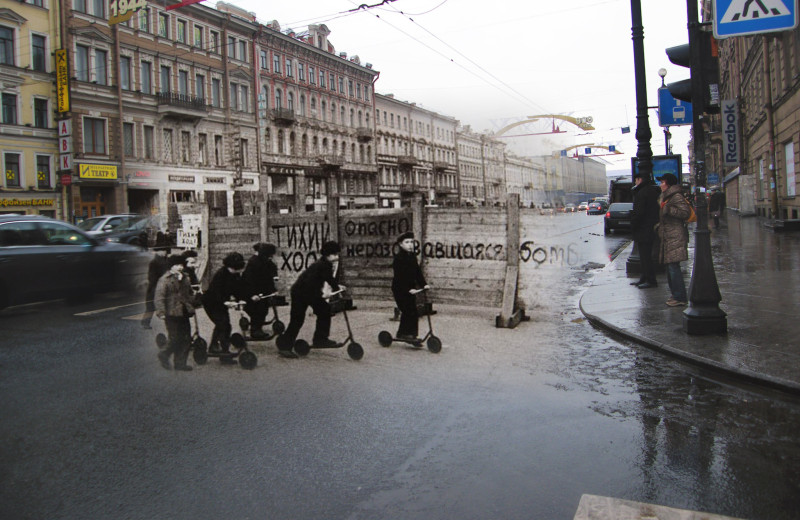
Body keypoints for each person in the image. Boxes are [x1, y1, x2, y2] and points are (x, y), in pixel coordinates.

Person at [277, 241, 345, 355]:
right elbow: (310, 285)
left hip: (310, 292)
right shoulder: (322, 265)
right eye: (335, 254)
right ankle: (285, 346)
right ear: (328, 254)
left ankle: (320, 339)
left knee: (324, 310)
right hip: (300, 293)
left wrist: (337, 288)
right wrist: (325, 294)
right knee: (297, 319)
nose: (337, 257)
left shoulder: (325, 264)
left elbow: (328, 279)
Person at [202, 252, 248, 364]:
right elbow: (215, 292)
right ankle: (224, 352)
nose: (239, 271)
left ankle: (216, 347)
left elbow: (237, 289)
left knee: (224, 325)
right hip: (211, 303)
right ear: (231, 267)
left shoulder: (235, 274)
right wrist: (225, 302)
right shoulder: (220, 275)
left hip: (221, 304)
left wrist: (240, 299)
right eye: (236, 269)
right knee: (224, 325)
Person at [154, 254, 197, 371]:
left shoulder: (185, 278)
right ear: (171, 267)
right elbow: (159, 297)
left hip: (184, 312)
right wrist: (161, 312)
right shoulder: (165, 280)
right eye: (176, 265)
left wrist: (194, 301)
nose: (180, 267)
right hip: (171, 312)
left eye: (181, 265)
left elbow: (189, 294)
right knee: (175, 338)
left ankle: (180, 363)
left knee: (186, 338)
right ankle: (164, 353)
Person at [656, 173, 692, 307]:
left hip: (675, 236)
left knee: (673, 267)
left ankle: (680, 297)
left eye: (662, 182)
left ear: (668, 184)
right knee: (670, 266)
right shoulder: (665, 197)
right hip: (668, 236)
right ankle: (675, 295)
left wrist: (667, 209)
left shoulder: (676, 196)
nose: (660, 185)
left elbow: (685, 213)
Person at [392, 231, 430, 340]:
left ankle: (407, 334)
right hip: (400, 290)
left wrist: (424, 284)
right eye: (407, 242)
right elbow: (399, 278)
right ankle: (406, 334)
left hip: (410, 290)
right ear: (400, 244)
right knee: (409, 311)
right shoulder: (398, 259)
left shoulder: (412, 257)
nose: (410, 244)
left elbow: (417, 272)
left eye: (412, 242)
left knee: (412, 311)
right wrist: (408, 289)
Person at [629, 172, 661, 289]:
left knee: (646, 256)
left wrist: (633, 222)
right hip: (648, 227)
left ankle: (650, 280)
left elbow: (639, 212)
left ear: (640, 180)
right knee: (644, 256)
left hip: (644, 229)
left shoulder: (642, 193)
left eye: (636, 180)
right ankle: (644, 278)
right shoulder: (649, 191)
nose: (635, 182)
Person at [243, 242, 279, 339]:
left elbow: (269, 276)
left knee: (263, 309)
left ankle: (258, 327)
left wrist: (273, 289)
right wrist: (252, 294)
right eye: (269, 255)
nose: (271, 257)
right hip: (252, 293)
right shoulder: (253, 263)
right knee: (257, 310)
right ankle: (255, 331)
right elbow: (248, 281)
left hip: (261, 291)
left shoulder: (265, 261)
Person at [141, 247, 171, 329]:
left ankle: (146, 322)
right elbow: (152, 277)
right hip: (155, 287)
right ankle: (145, 322)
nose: (164, 252)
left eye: (165, 250)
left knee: (163, 305)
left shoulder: (166, 261)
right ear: (158, 252)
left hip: (162, 286)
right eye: (163, 250)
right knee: (151, 307)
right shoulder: (154, 262)